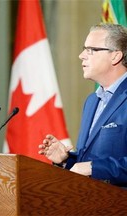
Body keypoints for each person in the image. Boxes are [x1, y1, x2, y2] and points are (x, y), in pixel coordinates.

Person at [39, 23, 127, 187]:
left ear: (115, 56)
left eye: (91, 50)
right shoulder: (91, 101)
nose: (81, 56)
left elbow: (91, 167)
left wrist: (93, 168)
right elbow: (86, 162)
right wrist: (67, 160)